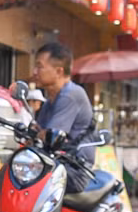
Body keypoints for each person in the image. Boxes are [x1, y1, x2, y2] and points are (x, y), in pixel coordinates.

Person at [30, 41, 97, 190]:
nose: (35, 72)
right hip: (56, 165)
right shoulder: (49, 102)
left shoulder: (70, 95)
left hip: (75, 171)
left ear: (59, 71)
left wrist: (39, 134)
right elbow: (37, 134)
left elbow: (49, 136)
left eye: (39, 66)